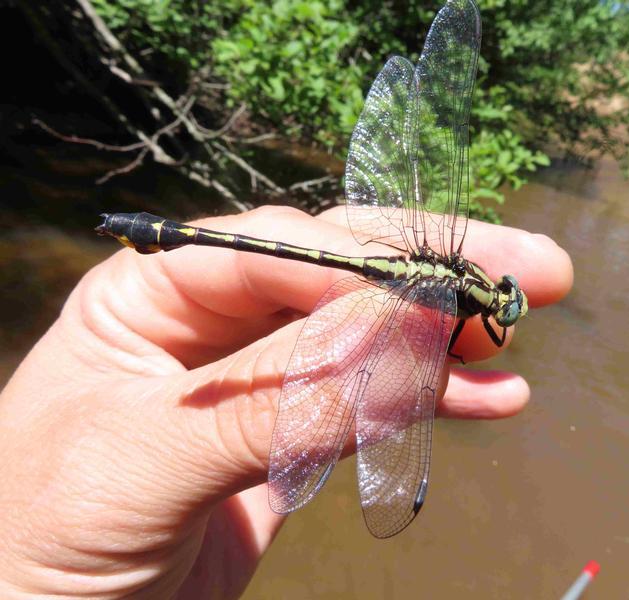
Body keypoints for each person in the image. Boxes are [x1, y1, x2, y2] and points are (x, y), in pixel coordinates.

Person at [0, 206, 573, 598]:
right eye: (504, 302)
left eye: (503, 301)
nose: (503, 307)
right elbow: (474, 343)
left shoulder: (459, 280)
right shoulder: (463, 307)